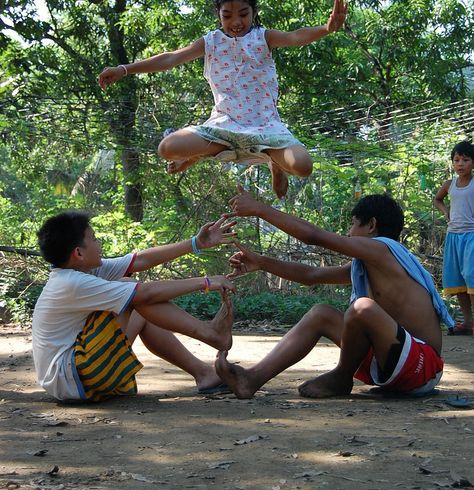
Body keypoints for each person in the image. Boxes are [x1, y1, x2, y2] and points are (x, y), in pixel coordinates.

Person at [98, 0, 347, 198]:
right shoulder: (211, 43)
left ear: (254, 11)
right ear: (218, 13)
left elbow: (295, 37)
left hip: (266, 128)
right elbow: (171, 58)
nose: (236, 22)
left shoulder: (264, 38)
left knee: (303, 167)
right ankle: (198, 154)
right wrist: (124, 69)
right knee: (167, 148)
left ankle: (274, 161)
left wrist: (326, 28)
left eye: (243, 14)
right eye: (227, 15)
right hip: (224, 126)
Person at [215, 187, 454, 399]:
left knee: (362, 308)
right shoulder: (369, 263)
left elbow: (314, 237)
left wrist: (260, 209)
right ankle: (252, 379)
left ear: (371, 225)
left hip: (423, 369)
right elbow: (311, 276)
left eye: (353, 224)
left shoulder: (383, 250)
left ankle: (342, 376)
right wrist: (261, 262)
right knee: (321, 314)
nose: (349, 233)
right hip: (391, 365)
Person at [32, 210, 236, 402]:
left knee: (138, 305)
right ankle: (209, 332)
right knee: (131, 291)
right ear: (78, 253)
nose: (99, 242)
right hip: (72, 377)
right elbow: (145, 293)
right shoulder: (70, 282)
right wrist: (205, 282)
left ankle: (204, 374)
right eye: (94, 238)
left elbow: (140, 260)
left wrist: (196, 243)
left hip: (74, 377)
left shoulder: (84, 271)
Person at [433, 140, 474, 335]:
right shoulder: (449, 185)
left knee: (471, 276)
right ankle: (467, 322)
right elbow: (437, 199)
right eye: (456, 160)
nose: (460, 164)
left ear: (473, 163)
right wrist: (446, 211)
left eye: (465, 160)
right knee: (457, 279)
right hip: (453, 236)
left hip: (472, 235)